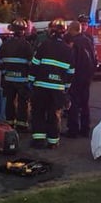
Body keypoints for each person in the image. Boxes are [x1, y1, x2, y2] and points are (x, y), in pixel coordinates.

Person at [28, 18, 74, 149]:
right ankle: (53, 142)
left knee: (38, 113)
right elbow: (70, 72)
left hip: (41, 86)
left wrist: (31, 81)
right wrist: (65, 88)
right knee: (54, 114)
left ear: (51, 31)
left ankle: (38, 140)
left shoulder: (44, 45)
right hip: (57, 89)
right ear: (64, 33)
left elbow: (35, 65)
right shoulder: (68, 50)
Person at [0, 18, 34, 132]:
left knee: (9, 101)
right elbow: (31, 63)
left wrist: (4, 73)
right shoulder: (27, 45)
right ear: (23, 31)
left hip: (8, 79)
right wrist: (29, 78)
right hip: (22, 80)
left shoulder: (5, 45)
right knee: (23, 102)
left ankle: (9, 123)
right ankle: (22, 125)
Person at [64, 20, 96, 137]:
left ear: (73, 29)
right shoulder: (88, 41)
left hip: (76, 78)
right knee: (85, 104)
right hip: (86, 78)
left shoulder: (74, 43)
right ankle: (85, 129)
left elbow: (72, 61)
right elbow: (94, 59)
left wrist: (68, 77)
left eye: (69, 29)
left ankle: (73, 130)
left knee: (74, 104)